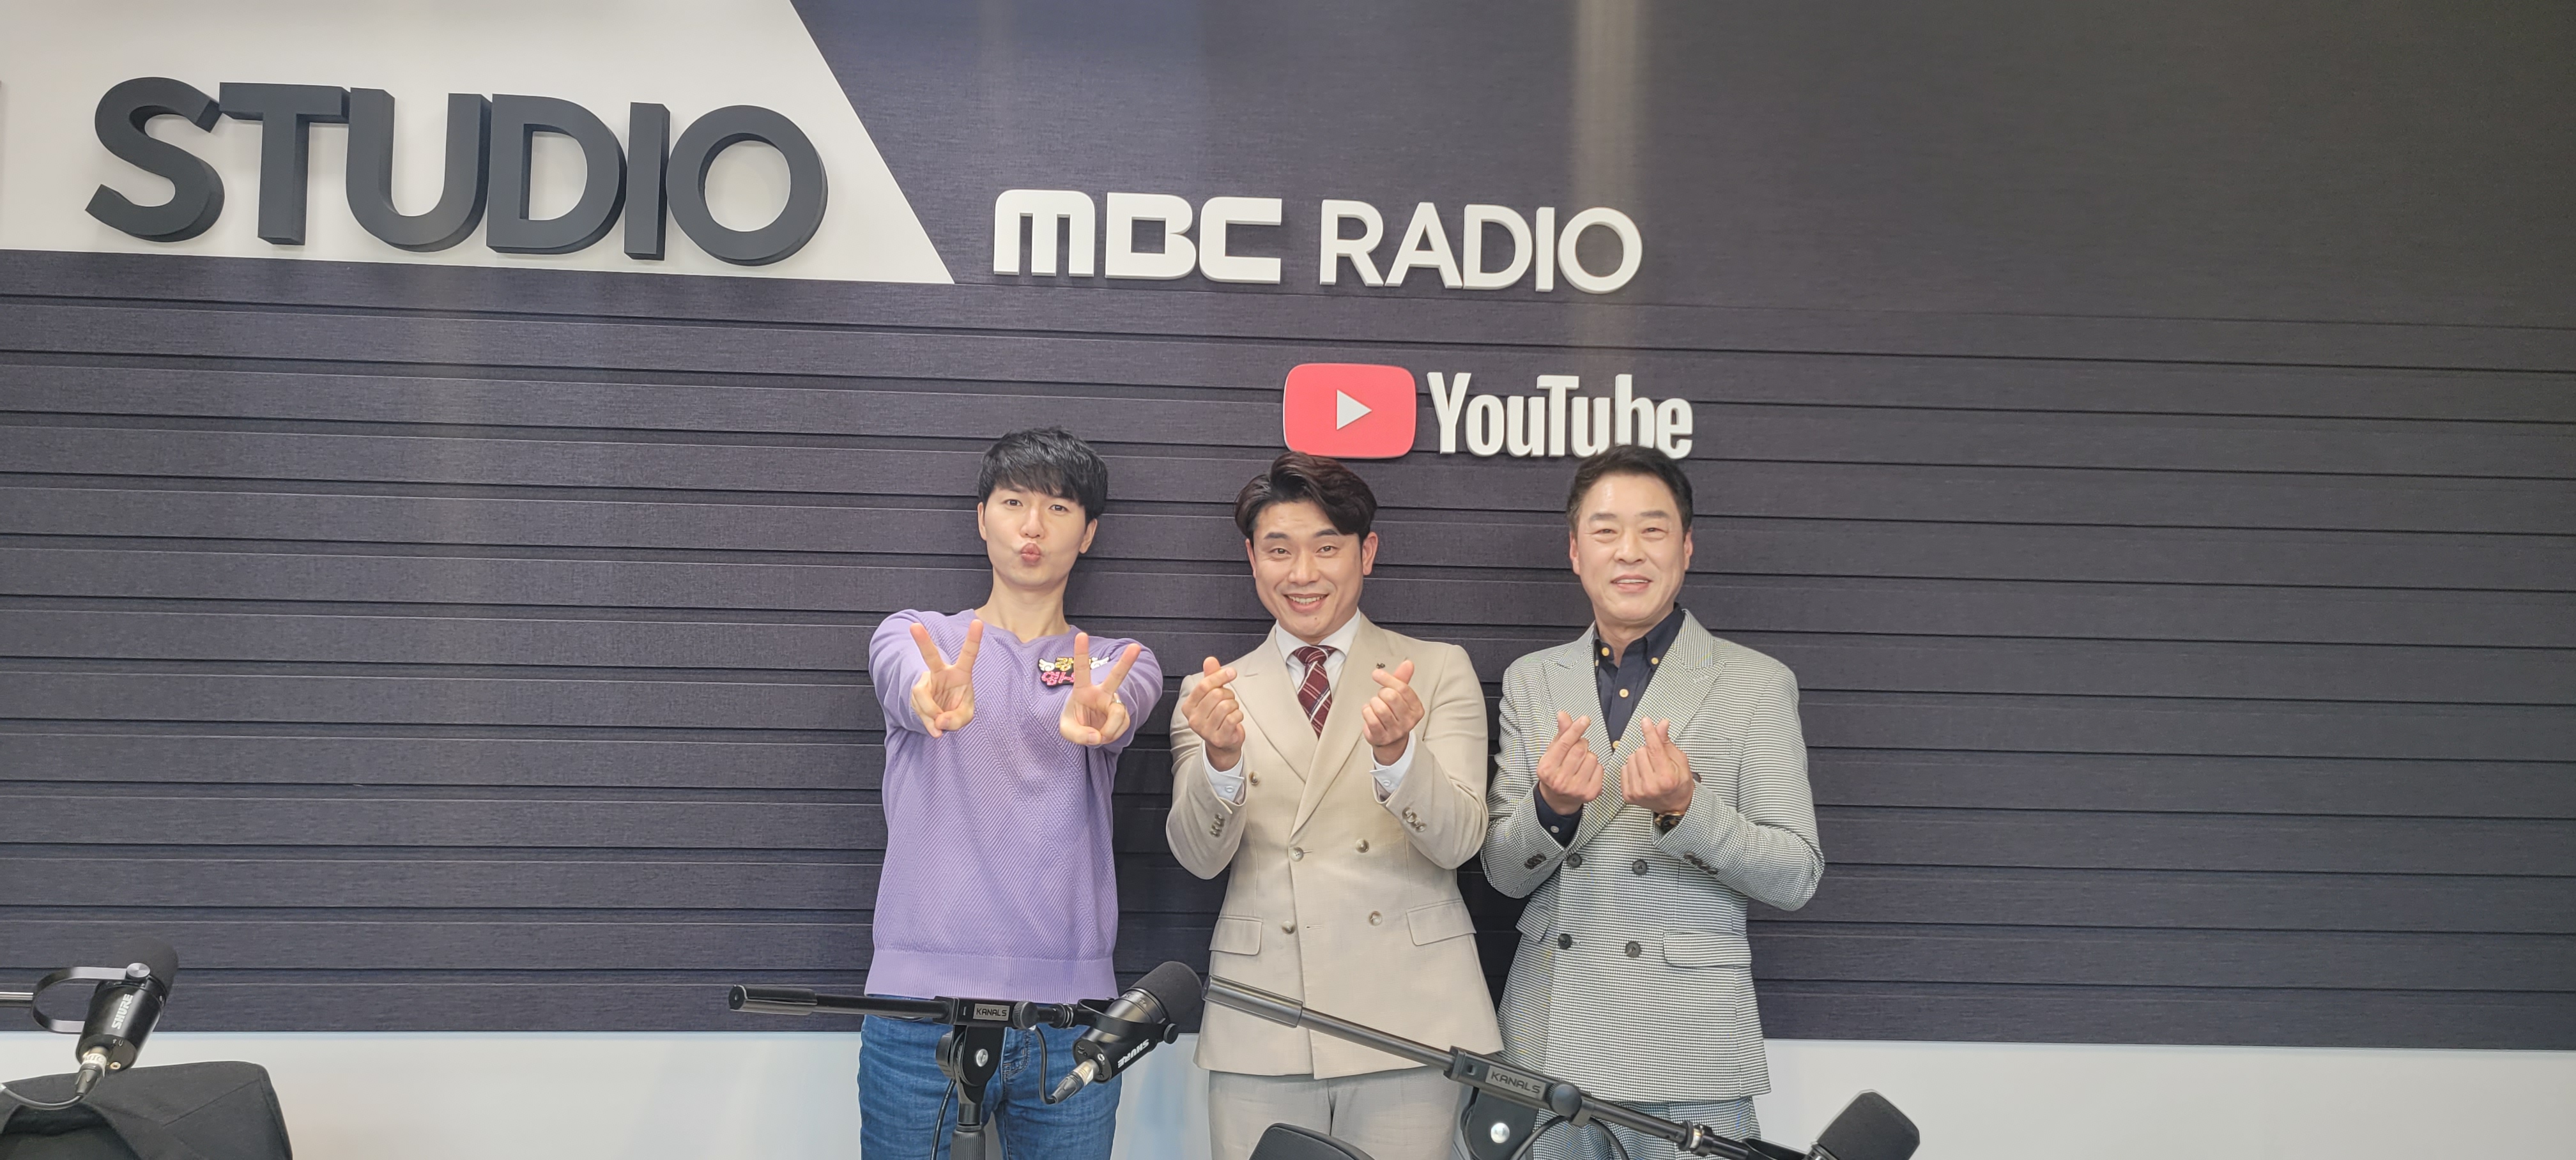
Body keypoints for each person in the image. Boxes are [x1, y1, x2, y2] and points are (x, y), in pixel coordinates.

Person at [1481, 445, 1823, 1158]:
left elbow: (1796, 874)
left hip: (1687, 1042)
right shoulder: (1532, 680)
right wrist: (1551, 808)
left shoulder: (1756, 683)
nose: (1629, 550)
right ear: (1575, 551)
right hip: (1549, 1039)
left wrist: (1686, 808)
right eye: (1606, 530)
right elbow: (1505, 874)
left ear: (1686, 547)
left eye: (1653, 529)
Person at [1167, 452, 1499, 1160]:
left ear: (1366, 553)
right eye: (1279, 550)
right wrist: (1220, 761)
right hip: (1265, 1020)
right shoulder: (1213, 693)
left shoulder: (1436, 670)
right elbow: (1197, 858)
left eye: (1326, 548)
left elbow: (1461, 840)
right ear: (1252, 559)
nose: (1302, 573)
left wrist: (1398, 754)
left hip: (1411, 1017)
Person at [860, 427, 1163, 1160]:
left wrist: (1107, 717)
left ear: (1087, 533)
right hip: (918, 1012)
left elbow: (1125, 703)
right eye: (1013, 502)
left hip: (1070, 1021)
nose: (1033, 525)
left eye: (1058, 507)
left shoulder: (1116, 661)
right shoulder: (916, 636)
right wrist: (929, 694)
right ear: (981, 517)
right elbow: (905, 679)